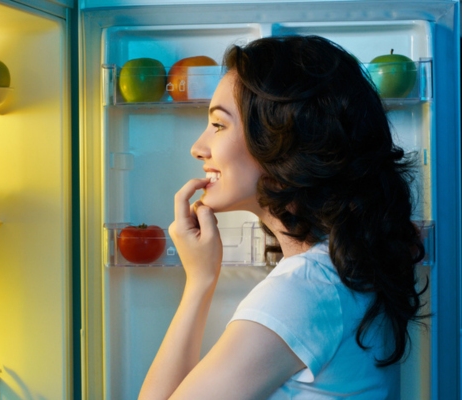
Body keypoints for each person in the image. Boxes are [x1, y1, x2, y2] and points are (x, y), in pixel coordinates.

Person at [138, 35, 426, 399]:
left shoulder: (302, 291)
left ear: (281, 141)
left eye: (219, 125)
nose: (199, 147)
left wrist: (198, 282)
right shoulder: (341, 268)